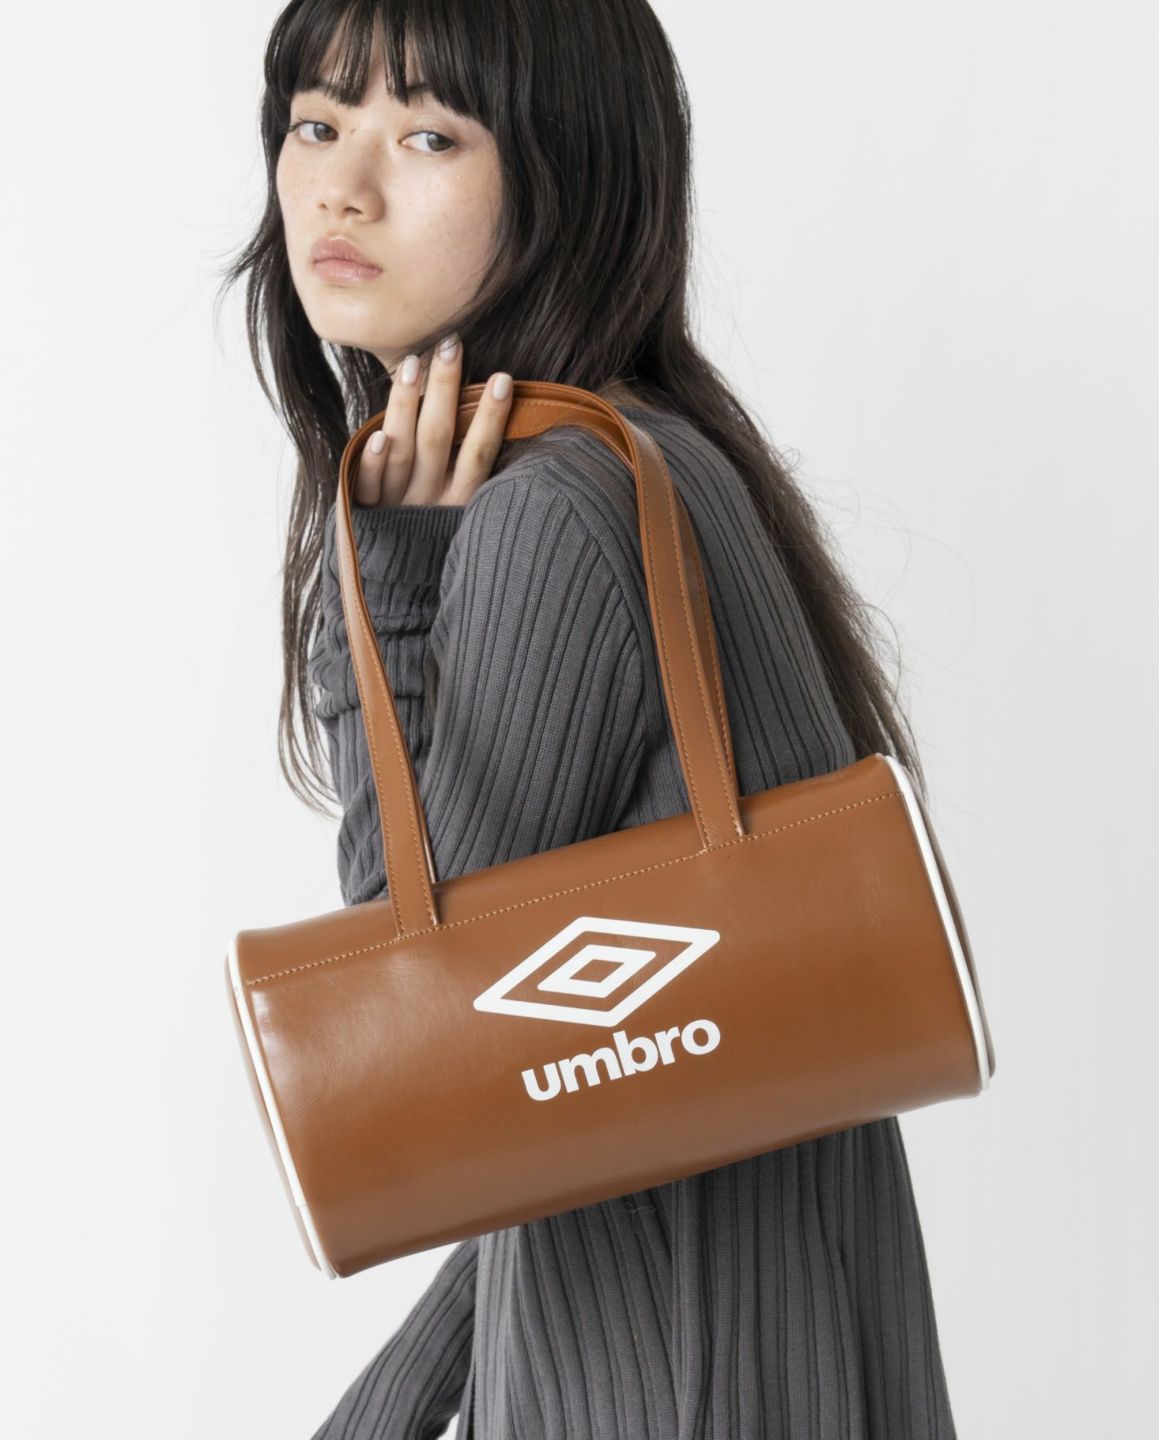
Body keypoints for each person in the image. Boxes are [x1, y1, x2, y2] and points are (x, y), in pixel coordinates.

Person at [218, 1, 960, 1435]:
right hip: (759, 1343)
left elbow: (426, 1009)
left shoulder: (553, 510)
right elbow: (565, 1104)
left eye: (430, 135)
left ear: (570, 179)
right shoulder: (660, 456)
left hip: (669, 1375)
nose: (341, 187)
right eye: (316, 122)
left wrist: (394, 576)